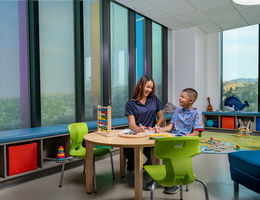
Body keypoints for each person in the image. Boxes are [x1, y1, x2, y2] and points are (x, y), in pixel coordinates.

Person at [144, 88, 204, 194]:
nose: (179, 98)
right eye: (180, 96)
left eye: (182, 97)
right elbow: (170, 127)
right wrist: (158, 129)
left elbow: (196, 133)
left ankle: (173, 181)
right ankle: (161, 178)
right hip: (172, 138)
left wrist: (180, 139)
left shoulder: (196, 114)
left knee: (170, 153)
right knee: (154, 148)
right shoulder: (177, 111)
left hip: (184, 142)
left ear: (191, 100)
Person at [124, 75, 164, 173]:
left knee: (152, 156)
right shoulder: (130, 103)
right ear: (140, 85)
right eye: (147, 87)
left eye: (151, 88)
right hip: (138, 132)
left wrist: (156, 126)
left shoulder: (155, 99)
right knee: (127, 149)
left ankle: (147, 164)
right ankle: (132, 164)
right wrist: (138, 129)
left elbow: (161, 117)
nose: (149, 90)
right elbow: (132, 124)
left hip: (151, 133)